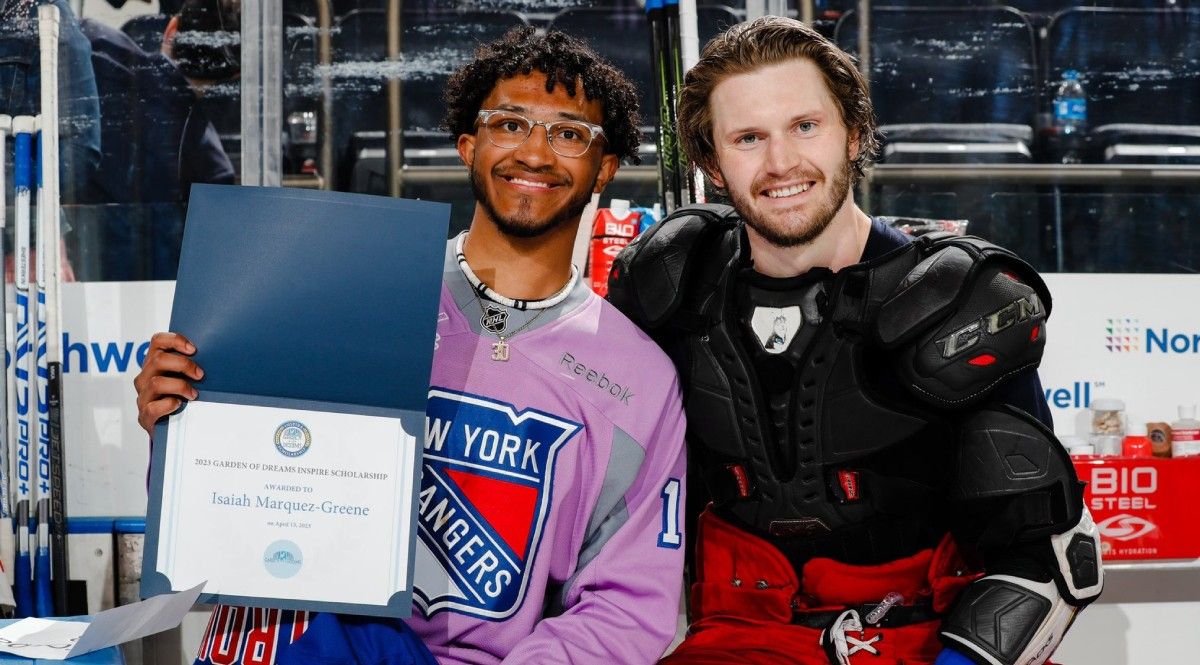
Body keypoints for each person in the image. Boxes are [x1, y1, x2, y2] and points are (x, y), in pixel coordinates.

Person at [133, 28, 688, 665]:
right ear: (468, 145)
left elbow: (622, 608)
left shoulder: (638, 378)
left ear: (606, 168)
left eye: (568, 133)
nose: (535, 152)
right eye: (509, 124)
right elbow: (229, 514)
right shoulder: (341, 293)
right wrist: (183, 430)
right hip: (299, 640)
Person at [609, 17, 1102, 665]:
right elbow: (603, 506)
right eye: (749, 137)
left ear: (856, 134)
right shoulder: (666, 288)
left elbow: (1046, 552)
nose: (781, 162)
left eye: (805, 126)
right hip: (740, 641)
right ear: (711, 163)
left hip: (932, 641)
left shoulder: (962, 303)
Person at [79, 0, 237, 280]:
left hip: (74, 266)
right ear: (235, 72)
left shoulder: (93, 47)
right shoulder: (210, 166)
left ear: (171, 30)